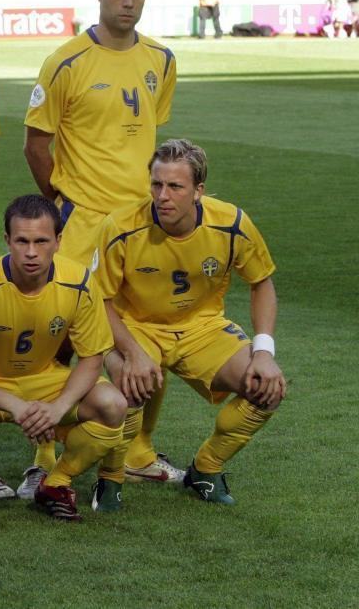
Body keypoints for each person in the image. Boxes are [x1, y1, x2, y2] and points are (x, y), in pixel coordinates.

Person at [22, 0, 177, 497]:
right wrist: (63, 202)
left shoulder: (162, 58)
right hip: (82, 221)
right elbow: (36, 144)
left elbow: (147, 135)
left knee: (144, 331)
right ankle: (44, 452)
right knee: (58, 336)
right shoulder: (66, 62)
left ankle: (138, 451)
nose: (128, 2)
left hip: (141, 224)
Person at [93, 139, 284, 505]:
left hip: (203, 328)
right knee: (130, 383)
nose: (162, 196)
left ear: (198, 191)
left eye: (175, 187)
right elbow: (97, 301)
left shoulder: (232, 224)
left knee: (267, 388)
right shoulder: (120, 227)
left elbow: (262, 283)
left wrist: (263, 351)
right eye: (156, 184)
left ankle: (206, 469)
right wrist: (131, 352)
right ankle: (111, 478)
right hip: (137, 327)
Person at [0, 195, 126, 523]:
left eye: (41, 241)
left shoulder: (79, 282)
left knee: (113, 405)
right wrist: (16, 406)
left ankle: (56, 482)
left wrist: (58, 408)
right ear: (7, 241)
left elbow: (92, 358)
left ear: (58, 241)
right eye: (22, 241)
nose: (31, 252)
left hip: (42, 379)